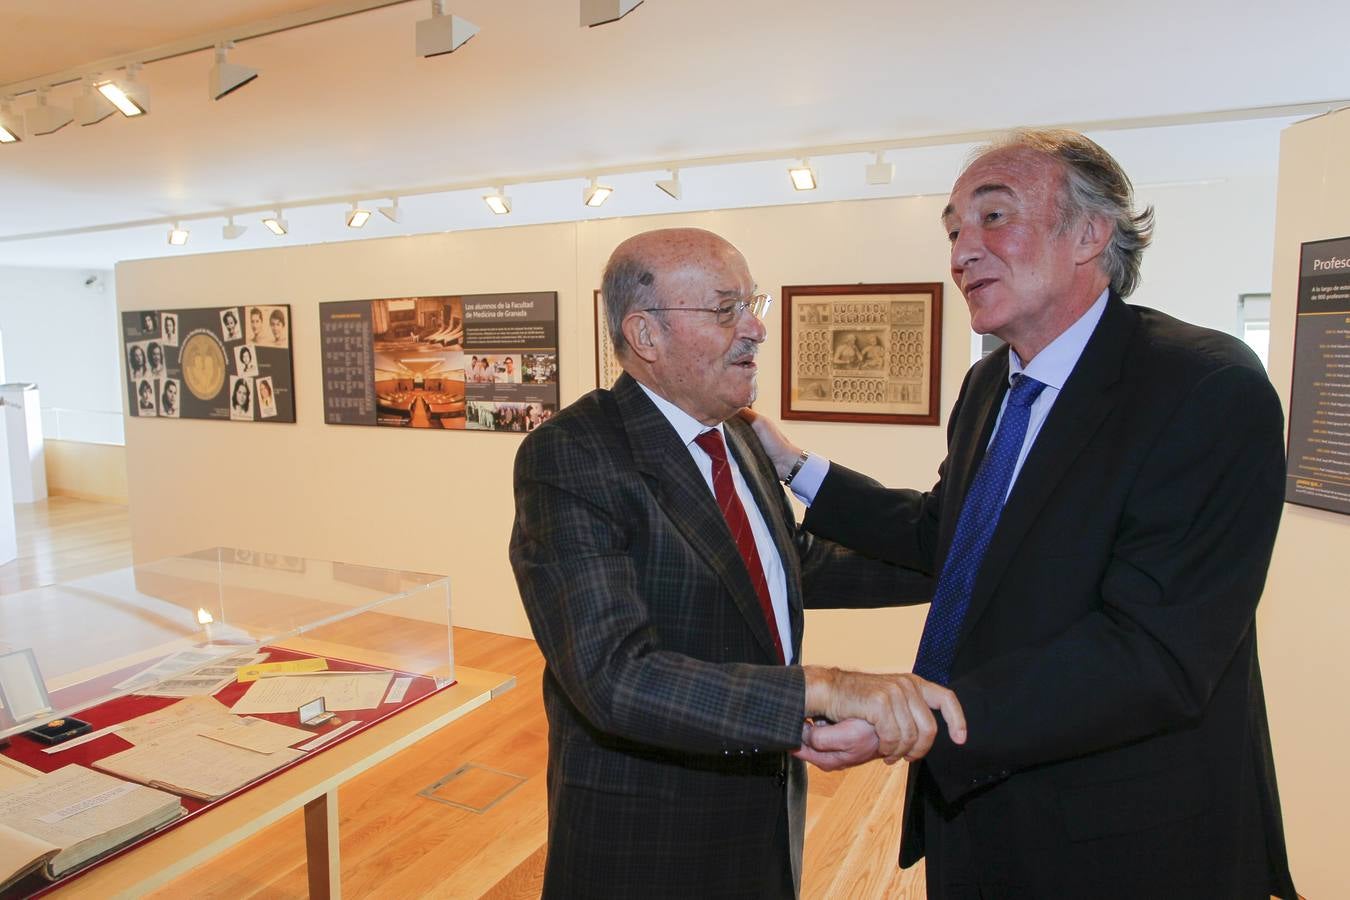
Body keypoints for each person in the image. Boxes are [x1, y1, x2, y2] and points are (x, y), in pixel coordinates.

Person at [752, 129, 1296, 898]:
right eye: (953, 230)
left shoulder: (1204, 388)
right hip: (977, 806)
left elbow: (1155, 653)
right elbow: (949, 535)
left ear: (1090, 233)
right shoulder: (989, 390)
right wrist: (794, 468)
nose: (961, 251)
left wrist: (922, 716)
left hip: (1124, 834)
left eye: (993, 217)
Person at [509, 227, 965, 899]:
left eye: (753, 303)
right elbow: (614, 678)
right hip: (650, 831)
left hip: (762, 799)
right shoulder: (574, 456)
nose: (755, 328)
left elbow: (786, 565)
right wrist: (824, 687)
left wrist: (953, 565)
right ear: (646, 335)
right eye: (726, 309)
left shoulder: (737, 436)